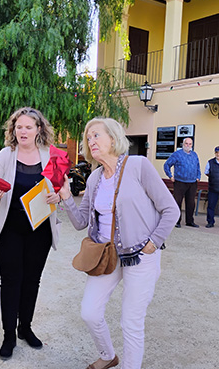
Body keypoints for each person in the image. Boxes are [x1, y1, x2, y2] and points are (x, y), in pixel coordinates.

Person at [58, 117, 179, 369]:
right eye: (88, 137)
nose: (91, 141)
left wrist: (153, 243)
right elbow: (81, 222)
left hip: (141, 255)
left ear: (113, 138)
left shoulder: (138, 166)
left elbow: (170, 209)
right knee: (89, 312)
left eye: (96, 136)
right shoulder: (94, 178)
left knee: (131, 322)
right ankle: (107, 355)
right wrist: (67, 197)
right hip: (106, 255)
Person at [0, 107, 61, 360]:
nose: (23, 131)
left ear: (39, 129)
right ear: (13, 130)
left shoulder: (52, 155)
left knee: (32, 281)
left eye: (28, 127)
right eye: (19, 127)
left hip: (40, 231)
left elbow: (64, 188)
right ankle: (8, 334)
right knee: (10, 281)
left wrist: (58, 195)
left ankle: (25, 328)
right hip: (9, 230)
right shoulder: (5, 156)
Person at [163, 137, 201, 228]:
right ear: (183, 144)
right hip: (180, 182)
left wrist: (198, 177)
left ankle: (190, 221)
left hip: (192, 182)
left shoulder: (194, 154)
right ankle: (177, 221)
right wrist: (170, 176)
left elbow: (198, 166)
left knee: (191, 203)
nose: (188, 145)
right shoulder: (177, 154)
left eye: (190, 144)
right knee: (177, 202)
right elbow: (167, 165)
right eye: (186, 144)